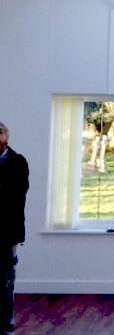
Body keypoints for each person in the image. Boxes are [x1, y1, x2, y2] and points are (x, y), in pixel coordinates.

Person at [0, 123, 29, 335]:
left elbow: (17, 194)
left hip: (8, 229)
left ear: (6, 137)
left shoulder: (18, 162)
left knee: (6, 277)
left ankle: (5, 322)